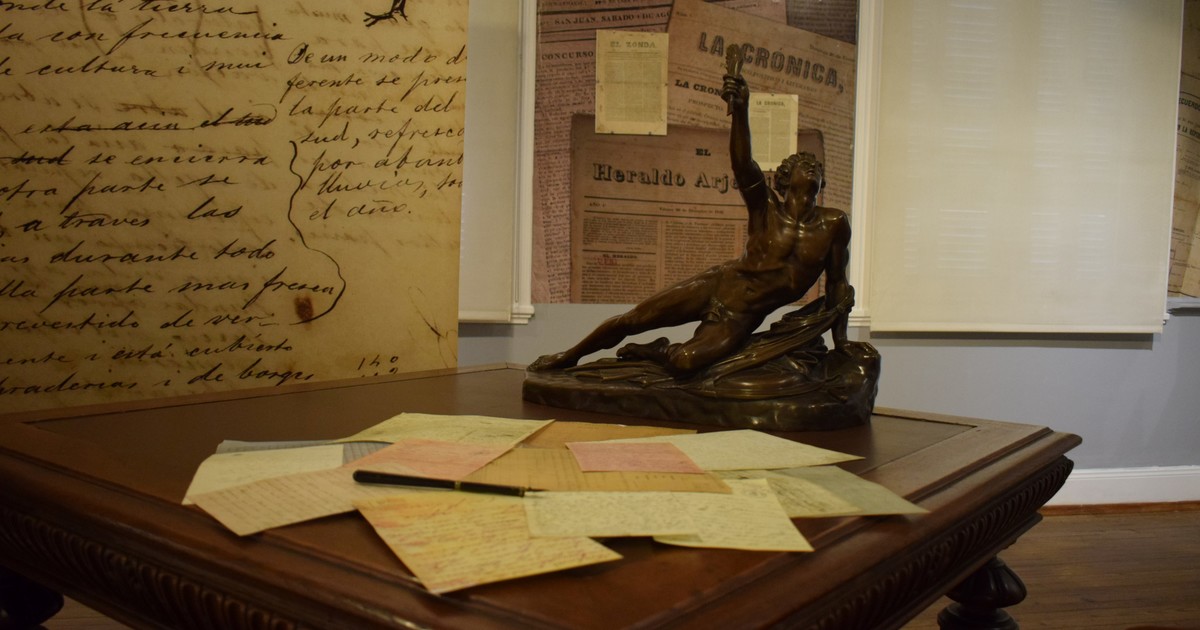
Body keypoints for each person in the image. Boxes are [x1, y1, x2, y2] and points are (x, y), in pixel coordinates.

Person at [529, 72, 853, 376]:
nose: (812, 167)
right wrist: (740, 111)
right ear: (784, 178)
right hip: (717, 285)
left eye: (816, 166)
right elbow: (743, 164)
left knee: (685, 363)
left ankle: (656, 351)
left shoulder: (834, 224)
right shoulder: (766, 208)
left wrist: (842, 344)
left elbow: (838, 287)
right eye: (803, 164)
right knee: (633, 319)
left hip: (741, 316)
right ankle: (568, 356)